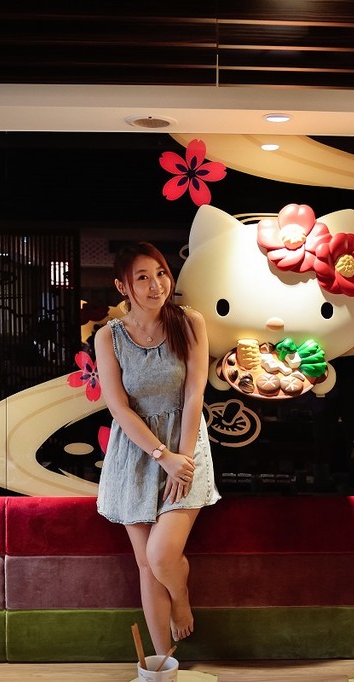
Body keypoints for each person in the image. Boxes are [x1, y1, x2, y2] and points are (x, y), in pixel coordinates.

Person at [94, 242, 220, 655]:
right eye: (143, 278)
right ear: (123, 287)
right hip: (136, 453)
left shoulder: (189, 323)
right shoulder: (109, 337)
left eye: (161, 273)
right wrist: (161, 457)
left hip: (185, 445)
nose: (156, 285)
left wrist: (180, 460)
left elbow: (195, 394)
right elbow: (118, 407)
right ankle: (163, 663)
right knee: (147, 565)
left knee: (162, 555)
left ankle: (181, 600)